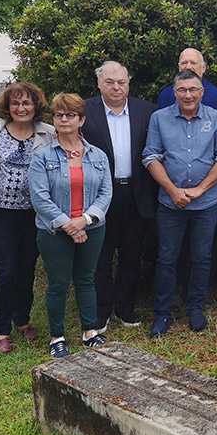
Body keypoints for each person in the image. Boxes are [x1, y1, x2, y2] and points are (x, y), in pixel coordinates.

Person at [143, 69, 217, 336]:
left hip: (207, 203)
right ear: (175, 92)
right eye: (182, 90)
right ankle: (162, 313)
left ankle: (195, 308)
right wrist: (172, 190)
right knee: (167, 258)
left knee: (202, 257)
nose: (188, 95)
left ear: (202, 92)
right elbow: (150, 156)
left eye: (193, 89)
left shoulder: (216, 118)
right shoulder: (159, 118)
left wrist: (199, 189)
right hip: (171, 204)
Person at [0, 82, 56, 354]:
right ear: (7, 107)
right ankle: (2, 329)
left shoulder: (48, 133)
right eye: (16, 103)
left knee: (27, 269)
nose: (21, 108)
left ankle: (22, 319)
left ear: (36, 106)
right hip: (1, 214)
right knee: (6, 271)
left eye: (27, 103)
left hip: (34, 215)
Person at [29, 93, 113, 358]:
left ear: (81, 120)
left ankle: (90, 332)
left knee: (87, 280)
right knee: (58, 283)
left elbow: (106, 193)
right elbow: (39, 197)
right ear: (53, 119)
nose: (64, 119)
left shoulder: (98, 155)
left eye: (70, 115)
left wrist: (85, 221)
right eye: (58, 115)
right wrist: (69, 225)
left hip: (92, 228)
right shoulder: (42, 157)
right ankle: (58, 337)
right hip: (54, 231)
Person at [82, 61, 158, 330]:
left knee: (131, 254)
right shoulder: (84, 111)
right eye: (110, 82)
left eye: (121, 82)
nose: (116, 87)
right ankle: (101, 310)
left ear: (128, 84)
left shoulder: (147, 111)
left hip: (136, 193)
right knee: (100, 255)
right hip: (100, 195)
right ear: (100, 84)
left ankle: (125, 309)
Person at [157, 48, 217, 114]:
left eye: (193, 63)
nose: (188, 67)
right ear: (179, 67)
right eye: (184, 63)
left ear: (204, 68)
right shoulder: (166, 96)